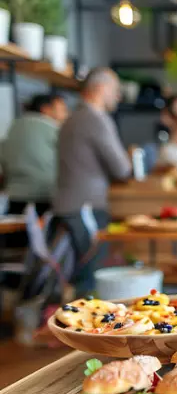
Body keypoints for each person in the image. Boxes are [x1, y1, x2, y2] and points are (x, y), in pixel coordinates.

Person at [54, 68, 132, 295]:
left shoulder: (72, 118)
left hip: (69, 205)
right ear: (101, 88)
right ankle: (82, 328)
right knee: (90, 277)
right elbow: (122, 168)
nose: (117, 97)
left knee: (78, 274)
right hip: (85, 208)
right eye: (115, 91)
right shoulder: (95, 119)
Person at [0, 94, 68, 216]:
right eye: (62, 109)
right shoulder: (52, 128)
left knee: (18, 232)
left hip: (14, 195)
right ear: (45, 109)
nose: (66, 114)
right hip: (44, 194)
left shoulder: (13, 127)